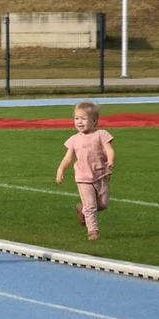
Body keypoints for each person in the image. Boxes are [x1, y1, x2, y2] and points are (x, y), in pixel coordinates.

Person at [55, 100, 116, 241]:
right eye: (76, 118)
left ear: (94, 121)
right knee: (91, 206)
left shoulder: (102, 134)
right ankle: (93, 231)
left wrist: (111, 160)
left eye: (83, 118)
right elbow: (68, 158)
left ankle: (81, 209)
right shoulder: (74, 139)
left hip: (101, 175)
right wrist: (60, 170)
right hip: (83, 178)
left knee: (103, 204)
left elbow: (109, 149)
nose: (79, 122)